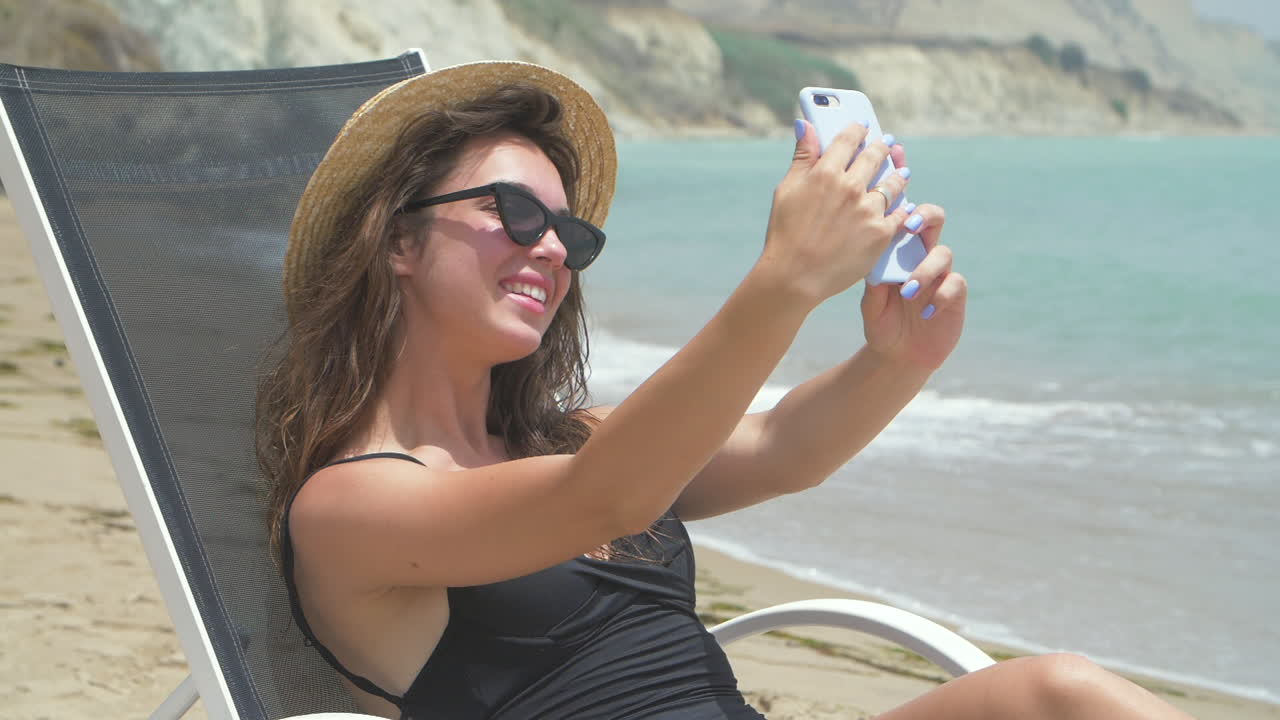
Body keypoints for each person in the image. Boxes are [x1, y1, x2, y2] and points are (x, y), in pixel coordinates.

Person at [256, 61, 1194, 720]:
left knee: (1058, 694)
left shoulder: (574, 438)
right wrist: (785, 277)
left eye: (571, 237)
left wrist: (899, 359)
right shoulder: (349, 504)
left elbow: (787, 446)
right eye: (514, 214)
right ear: (397, 242)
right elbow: (603, 503)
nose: (551, 248)